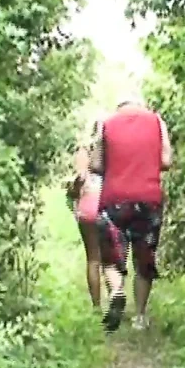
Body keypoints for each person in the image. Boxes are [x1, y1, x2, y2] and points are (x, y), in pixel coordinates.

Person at [88, 99, 173, 332]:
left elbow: (95, 164)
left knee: (112, 257)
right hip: (148, 199)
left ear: (120, 108)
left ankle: (116, 292)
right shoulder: (157, 122)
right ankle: (140, 317)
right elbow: (166, 161)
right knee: (144, 258)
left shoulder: (106, 123)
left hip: (114, 200)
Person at [68, 119, 103, 308]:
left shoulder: (84, 150)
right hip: (111, 205)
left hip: (88, 206)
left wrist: (72, 191)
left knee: (93, 259)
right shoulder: (115, 150)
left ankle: (97, 307)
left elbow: (80, 179)